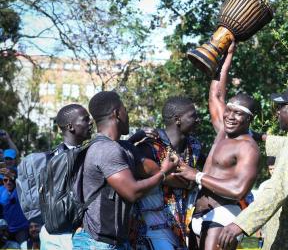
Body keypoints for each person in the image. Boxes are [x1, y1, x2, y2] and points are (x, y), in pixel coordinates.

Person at [218, 84, 288, 250]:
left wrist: (239, 225)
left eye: (281, 107)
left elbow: (277, 189)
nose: (277, 112)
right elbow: (286, 146)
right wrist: (257, 136)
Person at [174, 43, 260, 250]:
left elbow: (238, 190)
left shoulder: (248, 147)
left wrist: (196, 175)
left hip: (225, 213)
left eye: (238, 113)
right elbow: (216, 95)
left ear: (249, 120)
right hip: (199, 211)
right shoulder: (223, 130)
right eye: (229, 110)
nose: (230, 116)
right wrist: (226, 55)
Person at [72, 91, 179, 249]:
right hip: (98, 243)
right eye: (125, 110)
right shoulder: (107, 150)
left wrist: (133, 140)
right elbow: (132, 192)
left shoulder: (113, 147)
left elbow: (124, 154)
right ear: (116, 113)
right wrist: (163, 173)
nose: (127, 115)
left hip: (114, 242)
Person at [129, 96, 204, 249]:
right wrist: (189, 180)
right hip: (152, 227)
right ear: (177, 119)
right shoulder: (150, 146)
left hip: (181, 227)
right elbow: (141, 172)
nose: (198, 120)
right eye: (193, 115)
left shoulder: (194, 146)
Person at [39, 104, 93, 250]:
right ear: (70, 127)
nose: (91, 122)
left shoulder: (56, 155)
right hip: (62, 236)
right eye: (85, 119)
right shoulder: (58, 159)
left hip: (66, 233)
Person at [0, 168, 28, 244]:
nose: (8, 182)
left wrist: (13, 177)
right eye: (5, 180)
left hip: (21, 229)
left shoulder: (20, 190)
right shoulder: (1, 190)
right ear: (3, 182)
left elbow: (23, 183)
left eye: (11, 180)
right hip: (7, 230)